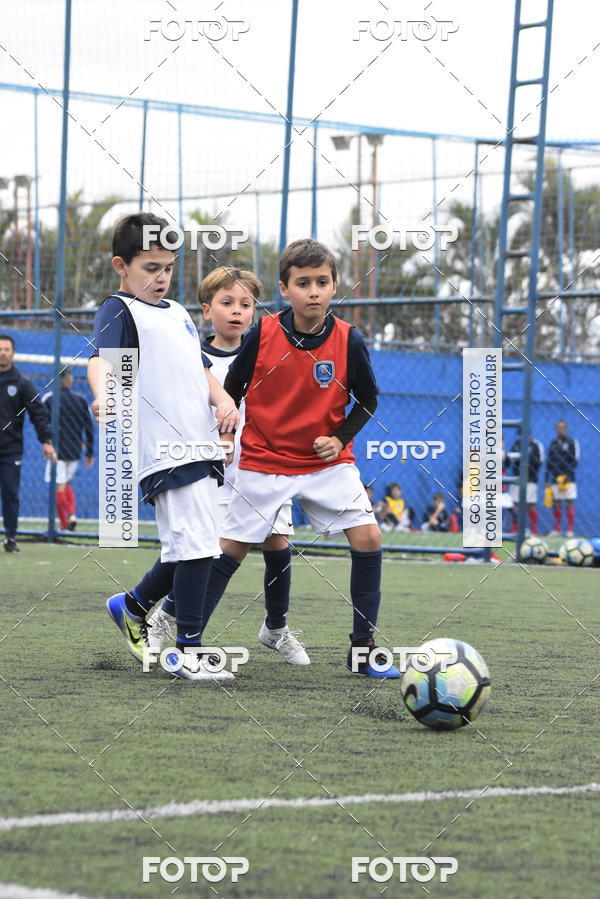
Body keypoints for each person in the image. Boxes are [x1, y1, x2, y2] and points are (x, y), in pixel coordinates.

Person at [184, 238, 400, 678]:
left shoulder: (348, 339)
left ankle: (363, 650)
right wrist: (226, 431)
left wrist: (339, 439)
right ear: (286, 289)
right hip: (265, 460)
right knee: (230, 550)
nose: (314, 291)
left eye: (322, 282)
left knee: (369, 538)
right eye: (304, 283)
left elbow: (368, 400)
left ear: (335, 285)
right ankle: (190, 643)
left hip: (327, 465)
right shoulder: (263, 333)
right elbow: (235, 389)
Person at [87, 213, 239, 682]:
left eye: (168, 268)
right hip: (165, 450)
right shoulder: (118, 309)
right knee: (197, 547)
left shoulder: (175, 312)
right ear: (121, 265)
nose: (160, 277)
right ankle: (186, 651)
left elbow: (200, 371)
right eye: (150, 267)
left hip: (200, 445)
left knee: (188, 546)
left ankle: (130, 605)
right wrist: (102, 394)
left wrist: (224, 400)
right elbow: (100, 361)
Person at [145, 265, 307, 665]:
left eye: (246, 304)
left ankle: (276, 627)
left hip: (265, 466)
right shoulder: (194, 361)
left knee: (278, 542)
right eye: (227, 302)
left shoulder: (268, 354)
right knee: (197, 550)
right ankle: (165, 619)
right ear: (206, 310)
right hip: (213, 472)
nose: (237, 311)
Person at [0, 334, 57, 552]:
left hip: (10, 451)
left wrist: (46, 441)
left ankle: (10, 538)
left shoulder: (22, 382)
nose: (2, 352)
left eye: (6, 349)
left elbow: (38, 413)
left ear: (13, 353)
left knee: (10, 495)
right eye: (0, 349)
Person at [42, 367, 94, 531]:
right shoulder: (80, 400)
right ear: (70, 381)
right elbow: (89, 427)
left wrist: (45, 443)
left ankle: (68, 517)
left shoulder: (49, 399)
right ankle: (66, 522)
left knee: (59, 487)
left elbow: (41, 424)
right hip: (74, 450)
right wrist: (89, 451)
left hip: (56, 450)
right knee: (66, 484)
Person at [546, 419, 579, 537]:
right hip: (555, 478)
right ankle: (557, 529)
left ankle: (570, 530)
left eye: (563, 427)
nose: (561, 429)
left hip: (568, 479)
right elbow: (549, 462)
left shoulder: (572, 442)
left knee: (569, 502)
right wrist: (547, 480)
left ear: (566, 429)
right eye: (558, 427)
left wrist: (567, 475)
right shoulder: (553, 443)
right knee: (556, 503)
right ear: (556, 429)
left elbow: (575, 461)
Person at [508, 432, 544, 535]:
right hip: (517, 477)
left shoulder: (536, 445)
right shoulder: (517, 444)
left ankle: (534, 530)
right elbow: (510, 457)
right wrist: (516, 457)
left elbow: (540, 461)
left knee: (530, 504)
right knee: (515, 504)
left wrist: (526, 459)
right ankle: (515, 529)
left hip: (530, 478)